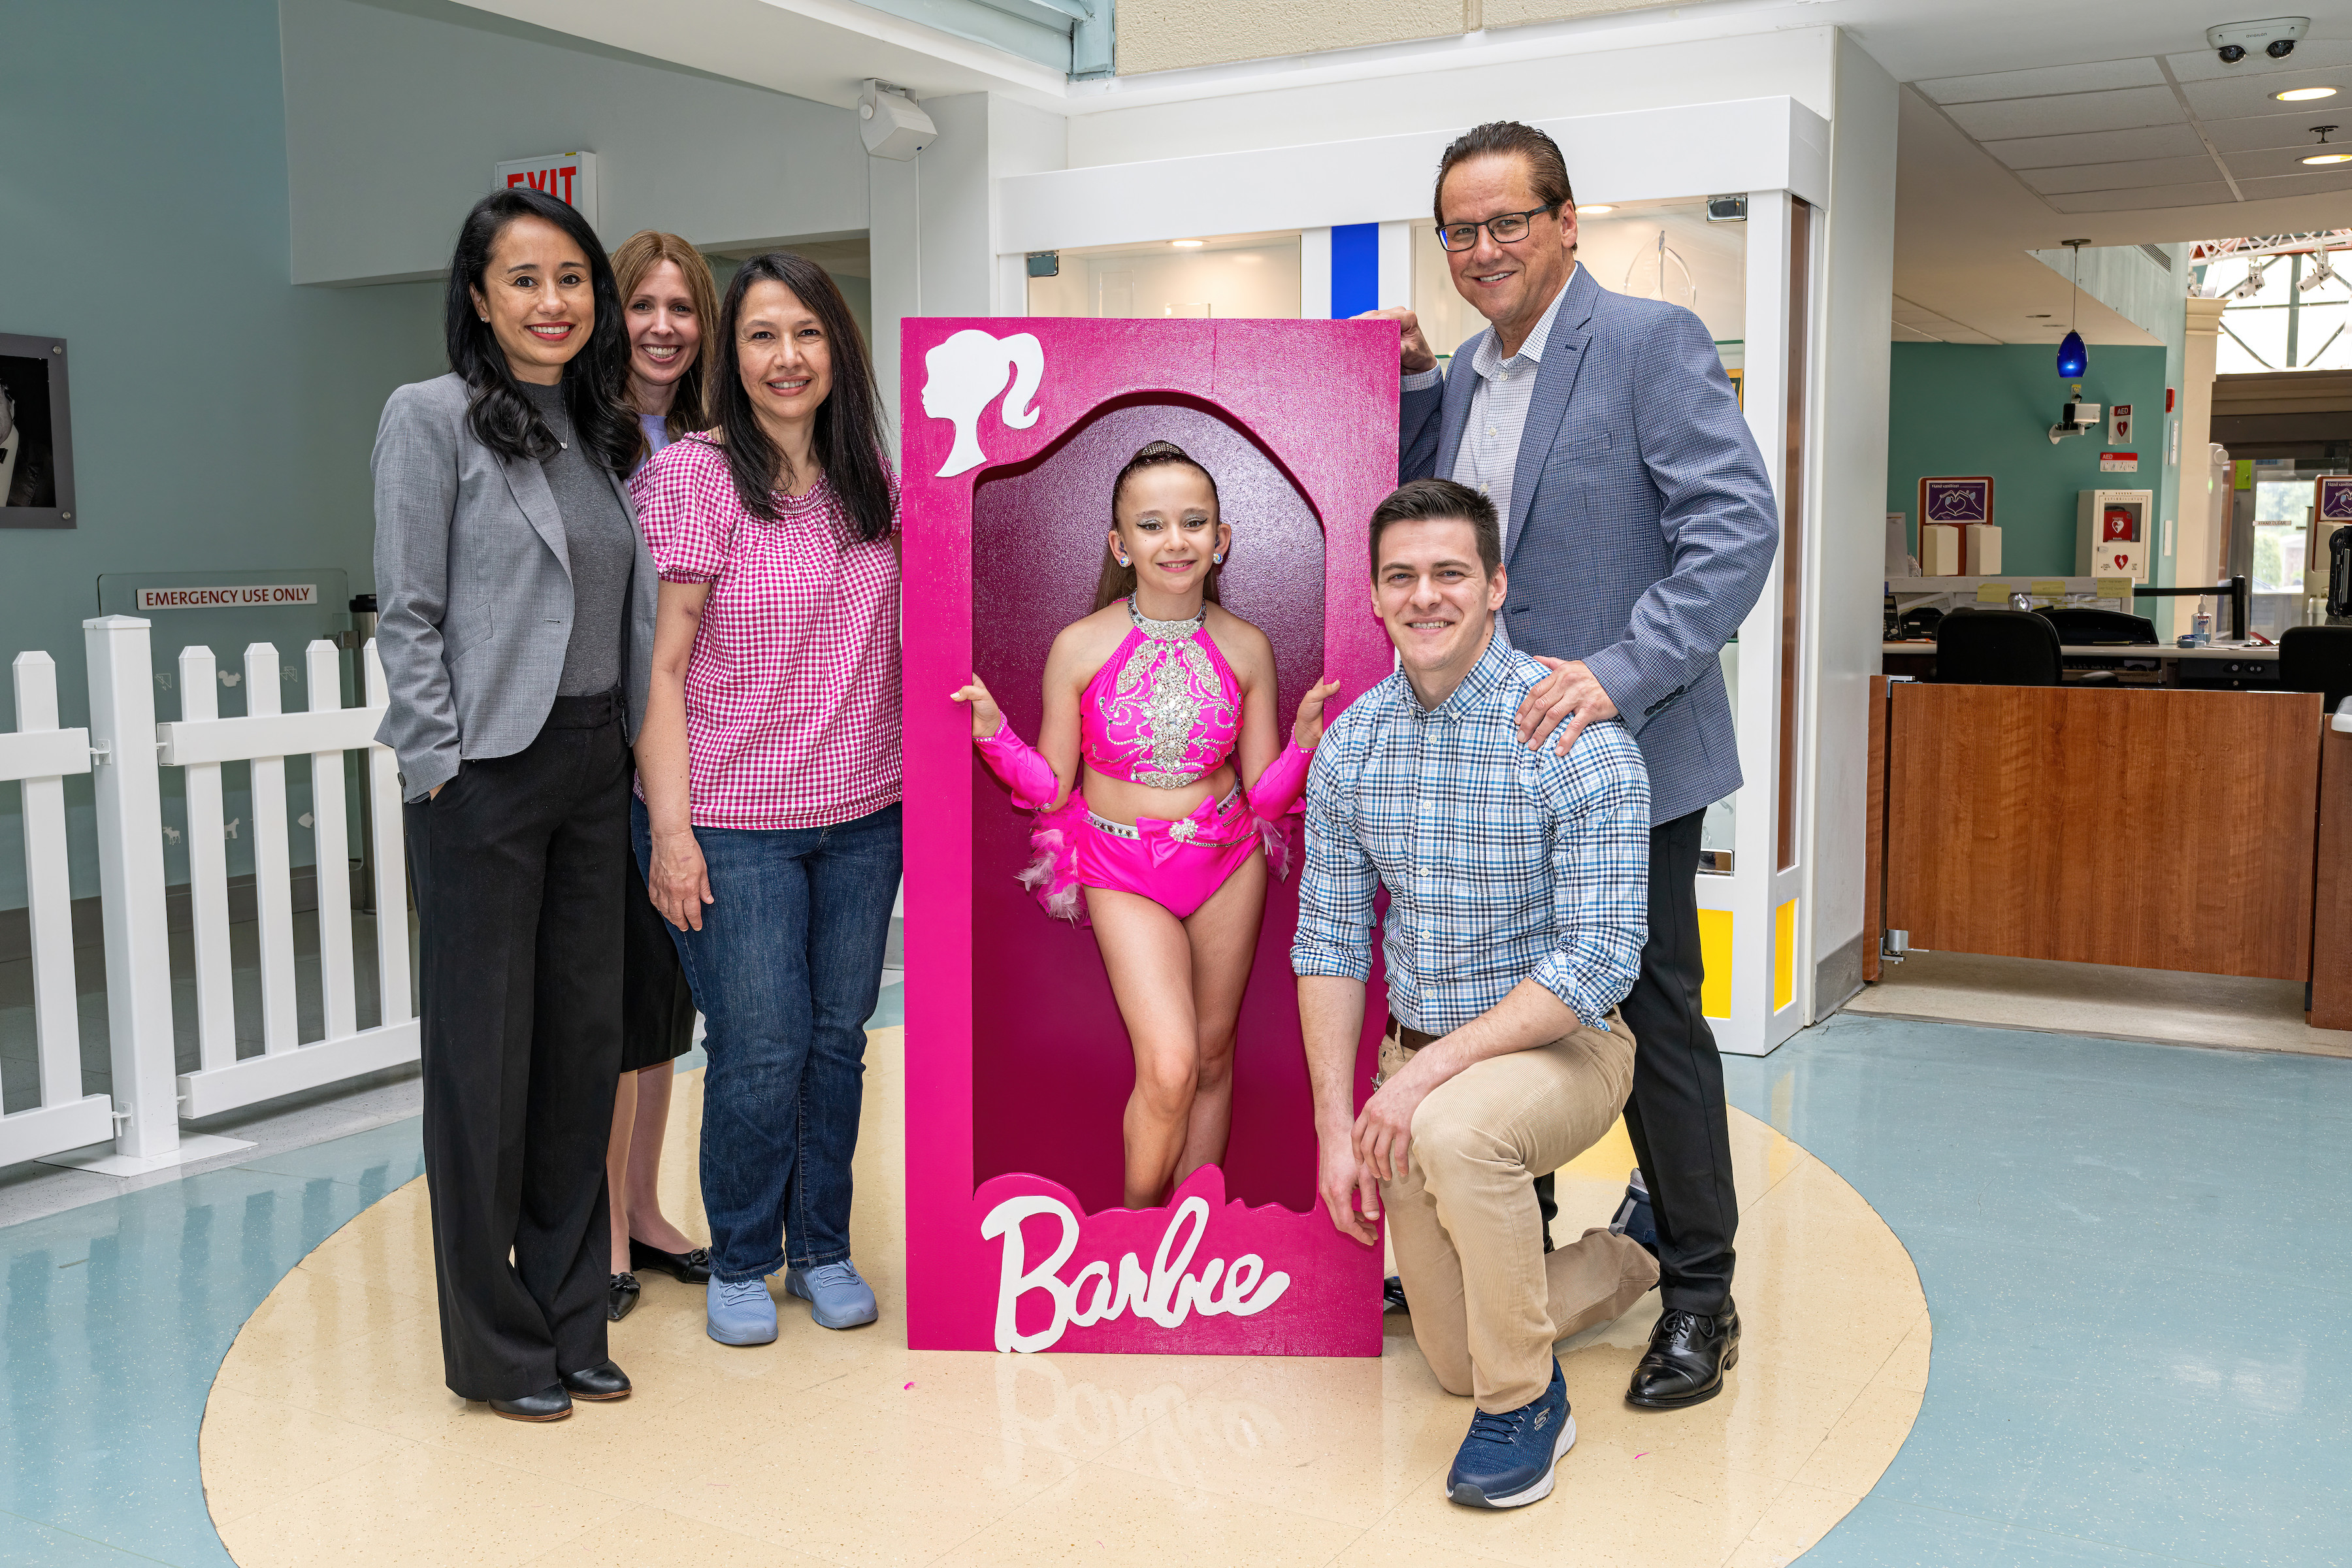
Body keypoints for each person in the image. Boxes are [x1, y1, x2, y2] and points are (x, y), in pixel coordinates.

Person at [1372, 120, 1776, 1409]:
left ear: (1564, 222)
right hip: (1478, 772)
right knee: (1493, 1006)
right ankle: (1519, 1249)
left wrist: (1615, 672)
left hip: (1625, 753)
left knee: (1650, 1013)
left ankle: (1700, 1295)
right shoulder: (1461, 384)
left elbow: (1734, 529)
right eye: (1461, 232)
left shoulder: (1648, 345)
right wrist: (1398, 385)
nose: (1483, 249)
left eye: (1507, 222)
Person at [1295, 478, 1661, 1509]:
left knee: (1456, 1136)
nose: (1426, 596)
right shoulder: (1354, 745)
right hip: (1418, 1053)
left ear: (1497, 586)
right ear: (1373, 596)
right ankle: (1634, 1252)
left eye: (1451, 573)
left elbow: (1597, 964)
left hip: (1566, 1048)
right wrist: (1339, 1121)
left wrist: (1422, 1084)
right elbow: (1328, 937)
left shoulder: (1576, 738)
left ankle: (1525, 1408)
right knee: (1450, 1356)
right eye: (1402, 577)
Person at [372, 186, 655, 1422]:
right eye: (527, 280)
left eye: (572, 280)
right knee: (483, 1068)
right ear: (480, 298)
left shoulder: (603, 431)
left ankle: (568, 1316)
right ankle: (494, 1349)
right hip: (483, 777)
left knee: (580, 1054)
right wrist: (439, 766)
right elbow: (410, 608)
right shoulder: (429, 419)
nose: (555, 303)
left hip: (594, 765)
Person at [951, 442, 1338, 1209]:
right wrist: (993, 732)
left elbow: (1265, 800)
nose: (1176, 541)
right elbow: (1049, 786)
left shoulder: (1247, 645)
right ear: (1120, 544)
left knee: (1215, 1055)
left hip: (1229, 859)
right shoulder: (1079, 646)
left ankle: (1191, 1237)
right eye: (1153, 525)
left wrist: (1302, 745)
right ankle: (1134, 1229)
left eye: (1195, 523)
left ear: (1221, 538)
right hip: (1120, 869)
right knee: (1169, 1063)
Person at [632, 252, 902, 1348]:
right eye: (760, 337)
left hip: (865, 815)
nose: (786, 358)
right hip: (736, 824)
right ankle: (743, 1253)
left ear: (837, 346)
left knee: (839, 1041)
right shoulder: (693, 478)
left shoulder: (876, 476)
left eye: (805, 334)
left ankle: (823, 1245)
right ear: (729, 356)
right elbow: (658, 669)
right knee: (760, 1046)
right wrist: (670, 832)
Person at [600, 231, 723, 1322]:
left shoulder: (713, 440)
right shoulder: (578, 430)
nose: (664, 325)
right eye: (645, 303)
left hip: (677, 754)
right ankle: (595, 1231)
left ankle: (642, 1204)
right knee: (601, 1007)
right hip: (597, 750)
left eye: (683, 307)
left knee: (658, 1003)